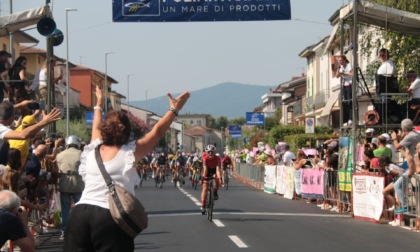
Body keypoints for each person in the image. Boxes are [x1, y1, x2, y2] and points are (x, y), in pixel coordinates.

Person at [64, 85, 189, 251]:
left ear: (104, 130)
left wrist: (98, 103)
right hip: (109, 217)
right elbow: (157, 132)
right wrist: (174, 110)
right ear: (127, 132)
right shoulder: (130, 152)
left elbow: (95, 126)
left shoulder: (93, 149)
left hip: (79, 214)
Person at [57, 135, 84, 240]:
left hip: (65, 181)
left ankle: (64, 232)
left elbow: (58, 169)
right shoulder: (81, 154)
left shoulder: (60, 155)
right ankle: (81, 230)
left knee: (65, 210)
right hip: (78, 181)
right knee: (80, 208)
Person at [200, 144, 222, 214]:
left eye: (212, 152)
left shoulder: (218, 158)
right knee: (205, 188)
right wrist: (203, 178)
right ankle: (203, 206)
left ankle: (215, 192)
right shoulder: (205, 158)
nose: (210, 153)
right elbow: (205, 170)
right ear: (206, 153)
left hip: (214, 170)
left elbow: (218, 170)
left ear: (214, 152)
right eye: (208, 152)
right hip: (207, 170)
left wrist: (220, 178)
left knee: (217, 181)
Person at [336, 55, 353, 126]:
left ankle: (351, 118)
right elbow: (337, 76)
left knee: (349, 101)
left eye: (341, 60)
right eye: (339, 61)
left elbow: (351, 74)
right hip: (344, 85)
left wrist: (343, 73)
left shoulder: (348, 65)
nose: (340, 62)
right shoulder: (341, 67)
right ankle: (346, 119)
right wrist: (338, 69)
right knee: (345, 102)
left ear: (344, 60)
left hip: (350, 84)